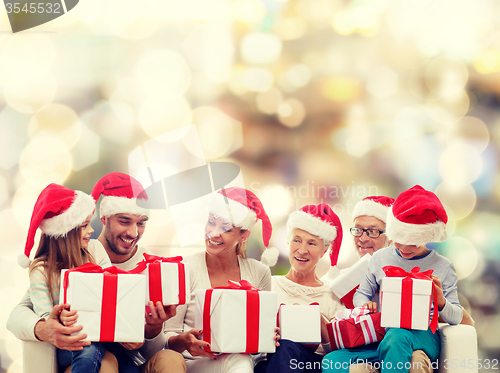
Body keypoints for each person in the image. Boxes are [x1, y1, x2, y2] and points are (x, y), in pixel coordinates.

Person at [7, 172, 186, 373]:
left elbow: (148, 349)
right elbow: (18, 315)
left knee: (145, 361)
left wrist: (148, 330)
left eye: (141, 223)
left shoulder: (150, 267)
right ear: (104, 218)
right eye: (125, 221)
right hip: (81, 347)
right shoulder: (50, 266)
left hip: (119, 348)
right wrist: (47, 326)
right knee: (100, 358)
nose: (134, 233)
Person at [322, 185, 464, 373]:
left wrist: (441, 302)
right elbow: (360, 294)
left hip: (423, 336)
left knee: (397, 336)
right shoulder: (380, 258)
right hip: (382, 336)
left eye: (413, 243)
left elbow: (457, 317)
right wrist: (364, 305)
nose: (404, 248)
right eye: (398, 239)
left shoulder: (444, 266)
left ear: (427, 237)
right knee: (331, 362)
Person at [143, 187, 278, 373]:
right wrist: (183, 341)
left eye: (226, 229)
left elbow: (260, 347)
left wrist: (268, 336)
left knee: (241, 360)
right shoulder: (184, 268)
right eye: (211, 223)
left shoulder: (259, 272)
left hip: (236, 362)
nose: (214, 233)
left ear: (243, 235)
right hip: (187, 363)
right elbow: (165, 340)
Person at [19, 183, 131, 373]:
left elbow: (112, 288)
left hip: (102, 334)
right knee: (87, 349)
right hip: (70, 342)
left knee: (128, 366)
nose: (91, 231)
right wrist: (60, 317)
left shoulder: (94, 250)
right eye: (84, 226)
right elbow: (46, 317)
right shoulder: (40, 269)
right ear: (65, 233)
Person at [255, 203, 346, 373]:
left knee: (286, 347)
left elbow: (339, 357)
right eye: (297, 240)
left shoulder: (333, 297)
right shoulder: (267, 285)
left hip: (311, 366)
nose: (302, 250)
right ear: (288, 242)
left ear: (325, 250)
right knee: (279, 350)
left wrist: (319, 322)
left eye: (312, 244)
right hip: (270, 363)